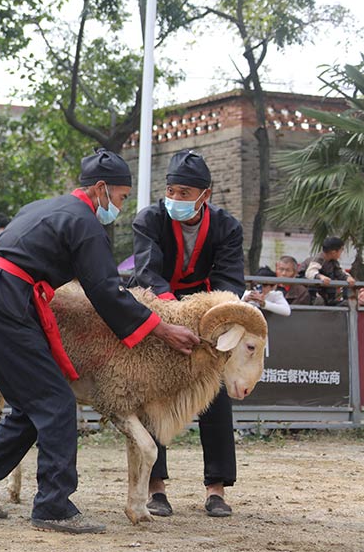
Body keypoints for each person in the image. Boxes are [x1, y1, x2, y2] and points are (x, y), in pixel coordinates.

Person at [0, 149, 198, 534]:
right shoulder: (85, 223)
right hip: (7, 305)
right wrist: (162, 329)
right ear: (100, 188)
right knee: (56, 401)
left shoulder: (44, 206)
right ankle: (53, 506)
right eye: (120, 197)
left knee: (33, 406)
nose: (120, 205)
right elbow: (107, 293)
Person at [129, 149, 245, 518]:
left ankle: (216, 488)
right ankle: (155, 487)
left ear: (204, 195)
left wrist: (203, 316)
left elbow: (230, 279)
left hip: (208, 317)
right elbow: (147, 270)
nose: (176, 199)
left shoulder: (228, 227)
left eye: (184, 193)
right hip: (159, 313)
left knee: (214, 394)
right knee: (152, 395)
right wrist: (171, 314)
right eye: (172, 191)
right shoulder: (149, 219)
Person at [304, 237, 356, 306]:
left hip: (327, 293)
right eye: (341, 250)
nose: (341, 253)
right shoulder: (319, 259)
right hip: (312, 292)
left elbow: (339, 272)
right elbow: (310, 272)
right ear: (334, 252)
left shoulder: (333, 262)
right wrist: (320, 277)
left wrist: (347, 277)